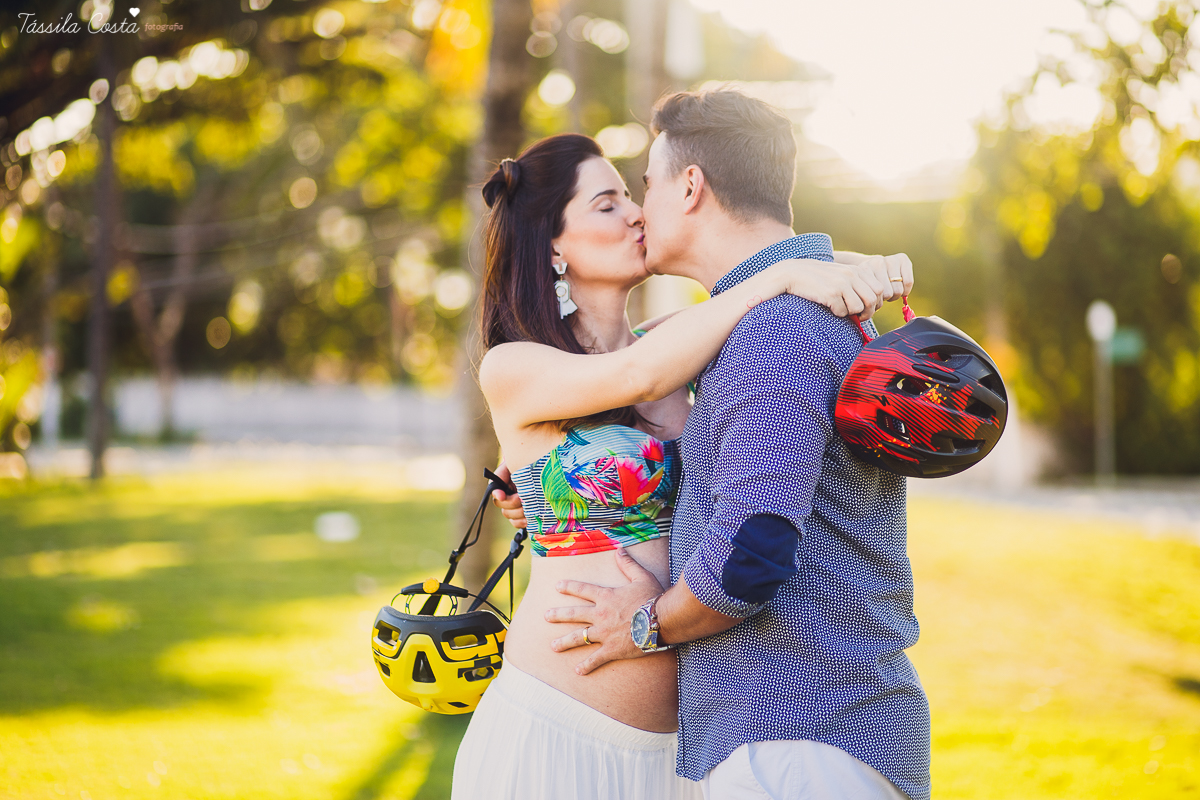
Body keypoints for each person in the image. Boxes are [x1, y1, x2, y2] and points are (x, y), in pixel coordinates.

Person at [451, 130, 909, 800]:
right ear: (553, 243)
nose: (637, 213)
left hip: (683, 756)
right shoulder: (515, 366)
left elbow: (752, 336)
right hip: (555, 727)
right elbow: (636, 375)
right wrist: (778, 275)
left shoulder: (680, 346)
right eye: (608, 204)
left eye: (633, 196)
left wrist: (872, 265)